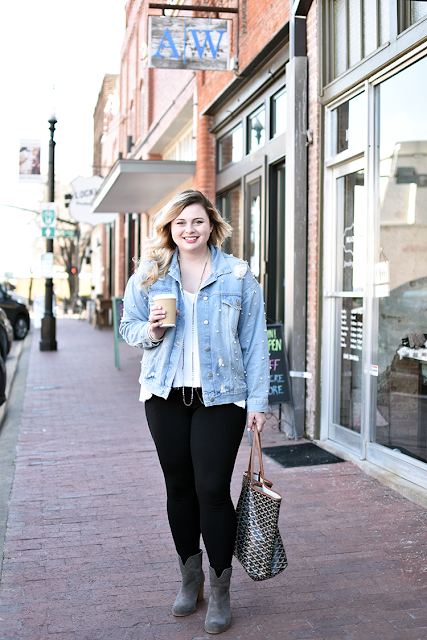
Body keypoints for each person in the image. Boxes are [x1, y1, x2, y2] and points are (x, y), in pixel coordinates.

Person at [120, 189, 269, 634]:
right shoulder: (150, 274)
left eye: (198, 222)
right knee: (178, 487)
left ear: (212, 225)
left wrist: (258, 402)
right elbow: (128, 325)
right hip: (164, 396)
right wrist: (148, 331)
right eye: (181, 222)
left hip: (220, 399)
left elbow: (255, 342)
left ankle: (221, 591)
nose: (190, 229)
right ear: (170, 226)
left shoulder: (237, 274)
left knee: (211, 490)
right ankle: (191, 580)